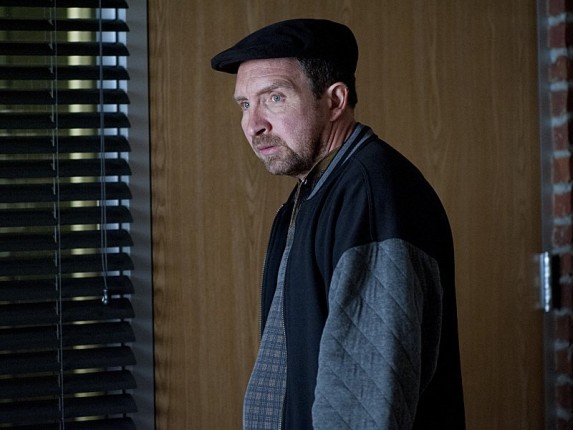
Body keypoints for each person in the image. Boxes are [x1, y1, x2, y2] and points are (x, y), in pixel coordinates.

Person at [211, 18, 465, 429]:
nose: (254, 124)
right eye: (244, 104)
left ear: (334, 102)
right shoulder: (319, 190)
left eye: (274, 98)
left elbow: (363, 404)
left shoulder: (370, 198)